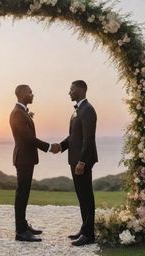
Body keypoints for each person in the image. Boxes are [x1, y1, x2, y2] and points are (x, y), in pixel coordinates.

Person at [9, 84, 60, 242]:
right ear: (23, 94)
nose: (33, 94)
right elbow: (28, 138)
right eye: (30, 92)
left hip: (27, 158)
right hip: (23, 159)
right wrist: (49, 147)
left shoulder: (22, 112)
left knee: (25, 193)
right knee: (22, 194)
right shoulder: (17, 113)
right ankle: (20, 232)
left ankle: (23, 225)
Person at [60, 80, 98, 246]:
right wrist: (60, 146)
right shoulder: (77, 111)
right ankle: (84, 229)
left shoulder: (88, 110)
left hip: (82, 161)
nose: (69, 92)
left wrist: (82, 161)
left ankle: (89, 235)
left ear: (81, 90)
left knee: (86, 197)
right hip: (74, 160)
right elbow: (74, 137)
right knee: (81, 197)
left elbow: (88, 139)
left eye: (71, 89)